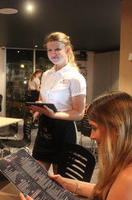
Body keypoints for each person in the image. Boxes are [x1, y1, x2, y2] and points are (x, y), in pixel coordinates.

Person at [21, 91, 132, 200]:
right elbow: (106, 190)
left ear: (117, 129)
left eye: (94, 128)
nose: (91, 136)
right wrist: (66, 183)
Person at [28, 32, 86, 173]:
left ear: (67, 50)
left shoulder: (75, 78)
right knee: (36, 178)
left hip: (64, 130)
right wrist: (37, 109)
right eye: (50, 50)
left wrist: (54, 115)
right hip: (45, 128)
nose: (53, 53)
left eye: (57, 49)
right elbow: (43, 99)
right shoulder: (47, 75)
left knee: (60, 181)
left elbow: (79, 113)